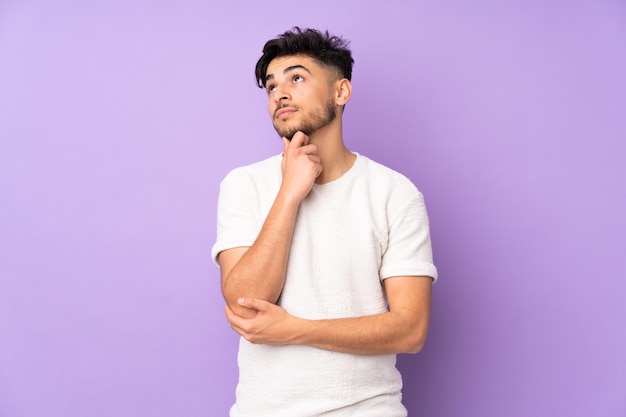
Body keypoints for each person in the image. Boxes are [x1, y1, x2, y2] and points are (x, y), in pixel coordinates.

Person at [211, 27, 438, 417]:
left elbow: (411, 329)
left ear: (341, 92)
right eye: (271, 86)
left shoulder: (394, 193)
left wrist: (297, 329)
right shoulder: (244, 185)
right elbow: (246, 304)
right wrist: (289, 193)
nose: (279, 93)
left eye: (296, 78)